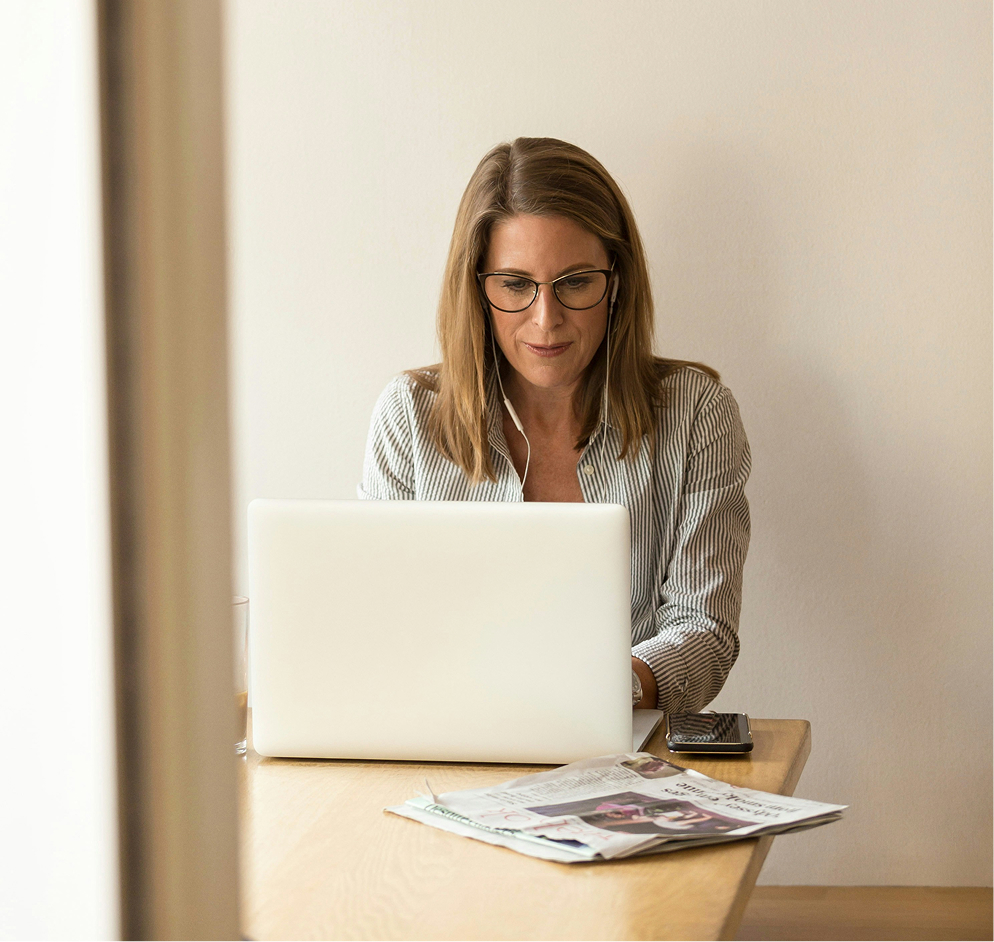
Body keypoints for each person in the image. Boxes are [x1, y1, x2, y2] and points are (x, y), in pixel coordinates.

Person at [358, 137, 750, 713]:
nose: (546, 320)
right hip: (447, 743)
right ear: (478, 289)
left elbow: (705, 631)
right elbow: (378, 628)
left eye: (574, 282)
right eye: (516, 285)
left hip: (625, 753)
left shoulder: (695, 412)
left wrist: (600, 690)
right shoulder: (409, 417)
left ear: (615, 281)